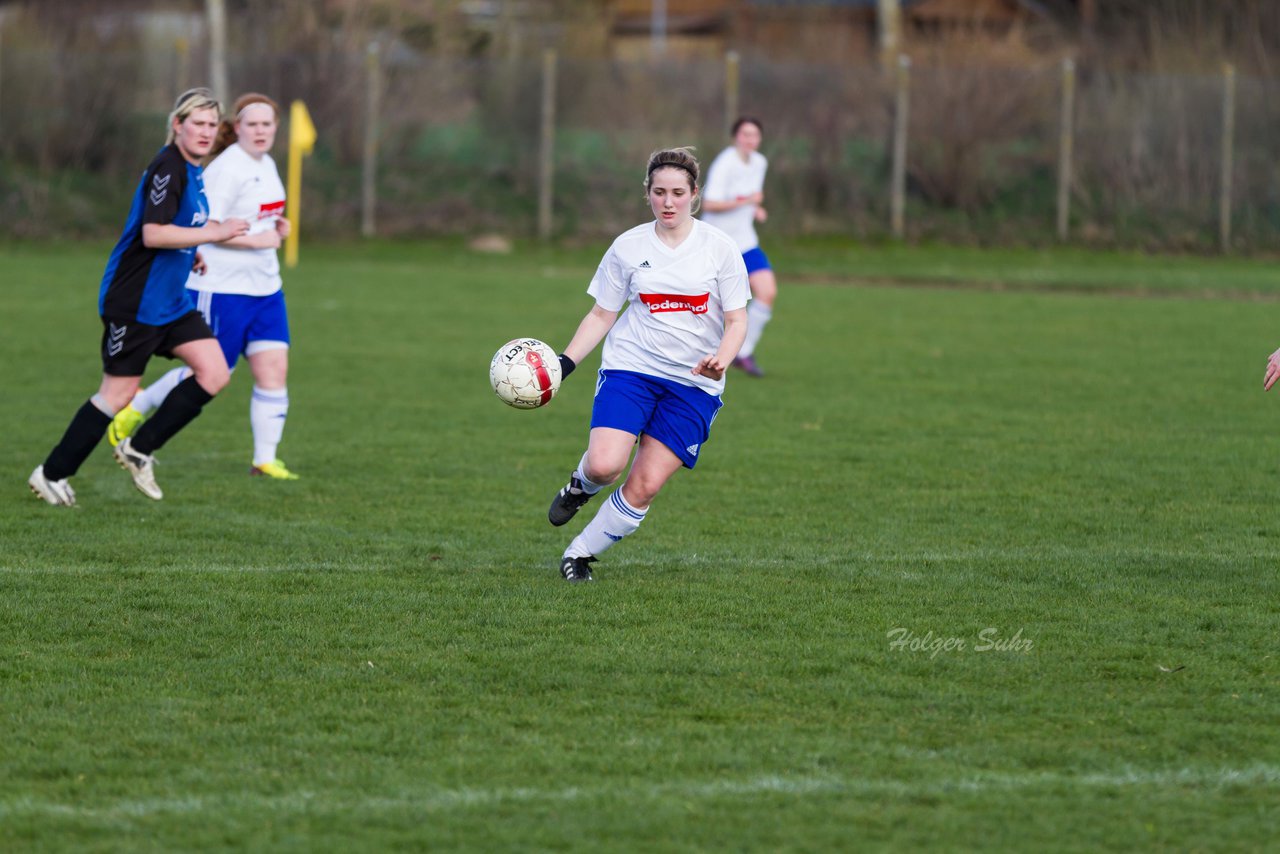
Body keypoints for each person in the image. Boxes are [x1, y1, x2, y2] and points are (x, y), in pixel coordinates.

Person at [27, 88, 249, 506]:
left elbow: (177, 228)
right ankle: (51, 474)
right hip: (136, 301)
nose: (204, 132)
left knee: (215, 373)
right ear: (177, 125)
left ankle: (138, 448)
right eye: (196, 124)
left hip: (170, 302)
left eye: (210, 125)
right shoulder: (168, 166)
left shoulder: (194, 169)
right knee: (118, 393)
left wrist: (192, 250)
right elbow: (153, 233)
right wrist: (214, 233)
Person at [546, 148, 750, 582]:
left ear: (695, 194)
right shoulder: (628, 246)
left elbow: (737, 320)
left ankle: (578, 555)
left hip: (694, 386)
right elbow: (603, 313)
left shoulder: (720, 249)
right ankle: (581, 485)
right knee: (604, 465)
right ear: (648, 195)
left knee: (645, 486)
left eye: (678, 192)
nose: (669, 201)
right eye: (660, 192)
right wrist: (565, 363)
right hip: (631, 370)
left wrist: (722, 360)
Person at [108, 92, 299, 480]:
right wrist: (257, 240)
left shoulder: (269, 164)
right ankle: (138, 406)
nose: (261, 131)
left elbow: (259, 218)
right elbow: (203, 229)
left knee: (274, 369)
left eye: (268, 124)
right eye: (253, 124)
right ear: (237, 128)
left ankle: (265, 459)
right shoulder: (226, 169)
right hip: (222, 286)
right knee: (212, 371)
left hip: (266, 288)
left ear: (276, 128)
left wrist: (277, 229)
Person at [699, 116, 775, 378]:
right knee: (713, 306)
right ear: (736, 137)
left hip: (745, 241)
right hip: (717, 243)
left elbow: (748, 198)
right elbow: (709, 204)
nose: (750, 140)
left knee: (767, 291)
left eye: (754, 135)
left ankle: (744, 353)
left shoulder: (759, 162)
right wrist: (746, 202)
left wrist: (756, 208)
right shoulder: (725, 163)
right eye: (745, 134)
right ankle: (706, 356)